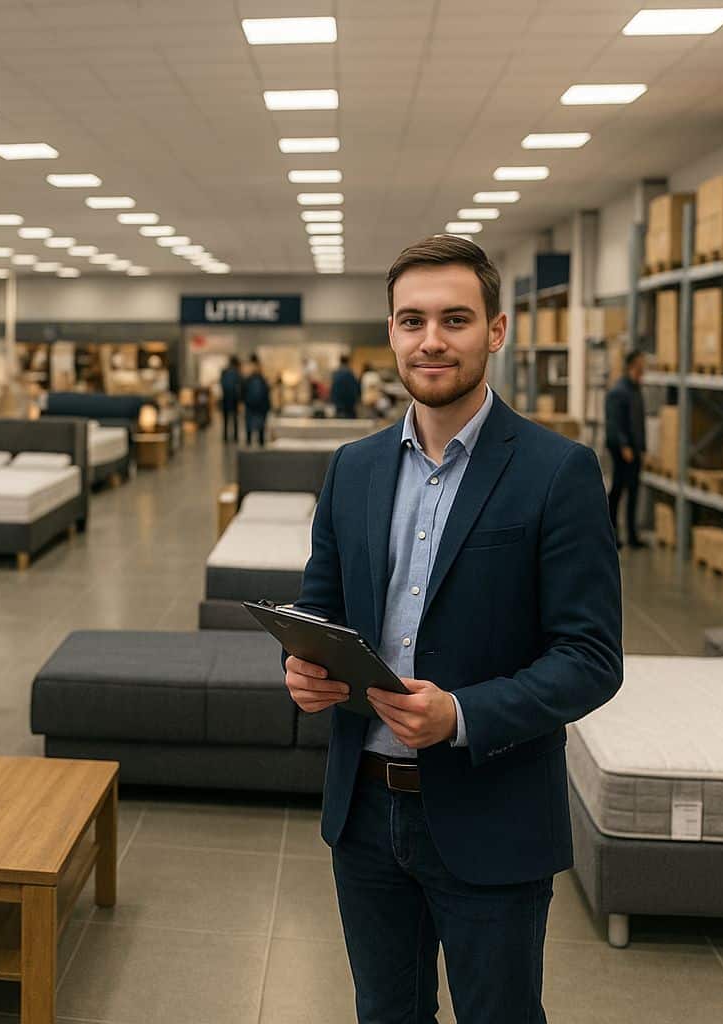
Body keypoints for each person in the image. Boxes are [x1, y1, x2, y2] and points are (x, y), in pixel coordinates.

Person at [282, 235, 622, 1024]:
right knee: (385, 1014)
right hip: (364, 813)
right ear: (392, 331)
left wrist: (461, 715)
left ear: (495, 331)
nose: (431, 340)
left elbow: (591, 657)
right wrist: (304, 667)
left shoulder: (557, 471)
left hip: (493, 811)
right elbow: (319, 608)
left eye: (455, 320)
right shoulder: (353, 468)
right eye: (413, 321)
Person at [605, 351, 648, 549]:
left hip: (635, 449)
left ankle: (632, 535)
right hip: (621, 449)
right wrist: (624, 446)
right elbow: (614, 422)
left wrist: (642, 448)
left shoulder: (636, 390)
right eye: (641, 363)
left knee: (634, 491)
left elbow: (639, 422)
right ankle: (612, 534)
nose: (644, 367)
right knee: (617, 490)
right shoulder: (618, 391)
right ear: (632, 365)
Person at [241, 357, 271, 446]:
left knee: (249, 427)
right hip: (260, 407)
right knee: (260, 428)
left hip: (250, 407)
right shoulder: (263, 380)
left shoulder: (248, 380)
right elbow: (266, 394)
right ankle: (260, 444)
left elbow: (243, 393)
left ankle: (249, 443)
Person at [219, 356, 242, 443]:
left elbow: (222, 384)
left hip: (225, 398)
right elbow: (239, 387)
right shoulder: (237, 373)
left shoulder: (224, 372)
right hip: (234, 399)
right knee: (235, 419)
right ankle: (235, 437)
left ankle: (225, 436)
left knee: (226, 419)